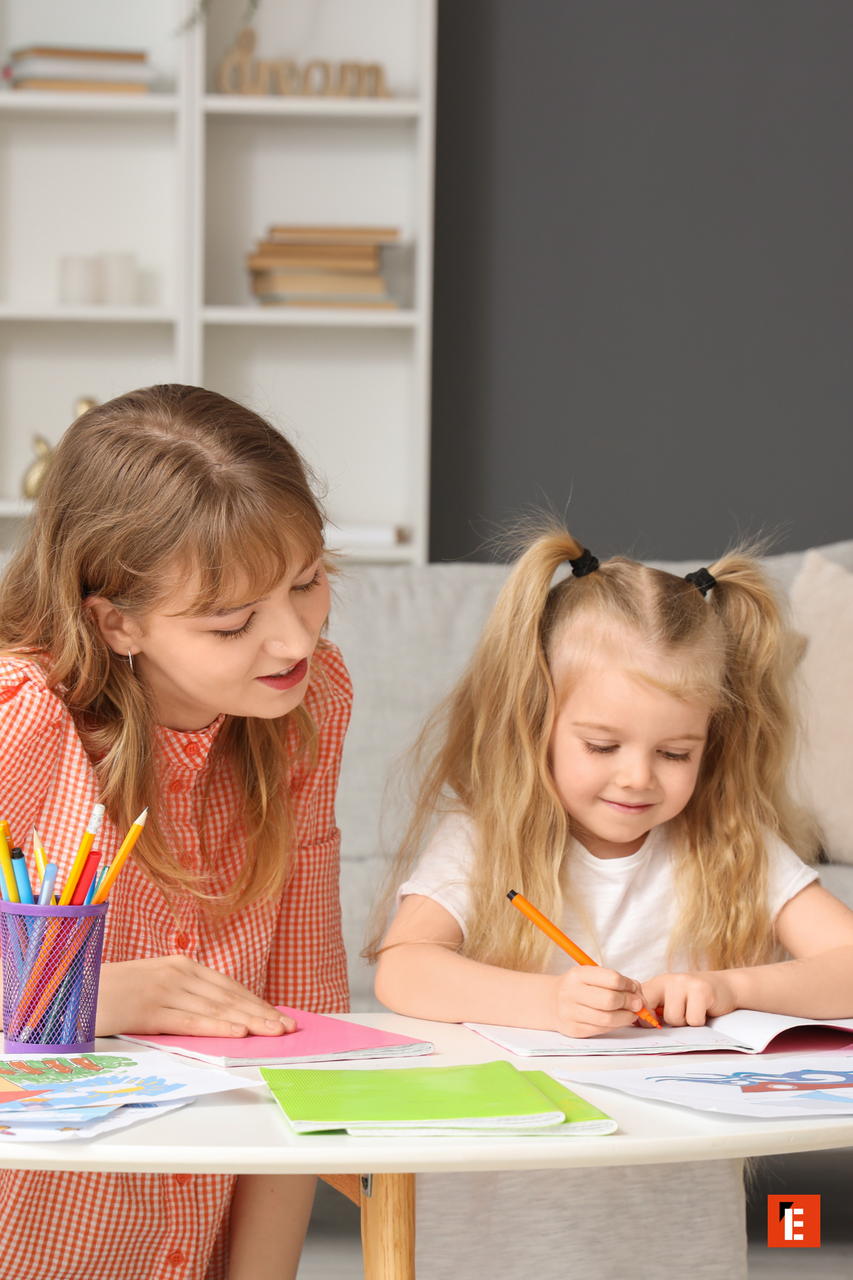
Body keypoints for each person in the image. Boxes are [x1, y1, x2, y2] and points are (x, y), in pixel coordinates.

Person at [370, 524, 853, 1280]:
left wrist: (732, 989)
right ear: (538, 720)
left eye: (674, 754)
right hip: (499, 1229)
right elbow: (402, 970)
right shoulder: (484, 838)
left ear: (711, 744)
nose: (636, 779)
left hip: (674, 1228)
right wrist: (548, 1003)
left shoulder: (732, 845)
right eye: (601, 746)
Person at [0, 385, 352, 1280]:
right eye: (231, 622)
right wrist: (91, 998)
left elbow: (304, 1031)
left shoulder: (308, 708)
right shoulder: (21, 720)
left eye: (307, 583)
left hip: (197, 1237)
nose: (290, 642)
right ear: (114, 620)